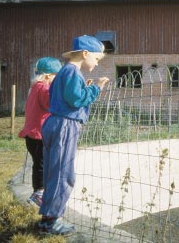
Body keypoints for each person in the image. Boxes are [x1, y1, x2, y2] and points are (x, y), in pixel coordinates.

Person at [38, 35, 109, 235]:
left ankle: (47, 218)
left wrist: (83, 87)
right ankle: (53, 221)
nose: (96, 62)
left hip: (55, 122)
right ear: (85, 54)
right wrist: (97, 88)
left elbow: (67, 96)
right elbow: (76, 100)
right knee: (64, 174)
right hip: (65, 125)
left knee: (54, 171)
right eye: (96, 58)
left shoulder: (63, 72)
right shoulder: (71, 71)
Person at [18, 57, 62, 207]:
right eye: (57, 76)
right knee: (42, 164)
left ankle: (38, 192)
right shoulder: (44, 88)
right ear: (48, 75)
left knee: (39, 164)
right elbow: (50, 104)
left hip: (32, 134)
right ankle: (39, 193)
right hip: (38, 134)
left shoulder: (35, 87)